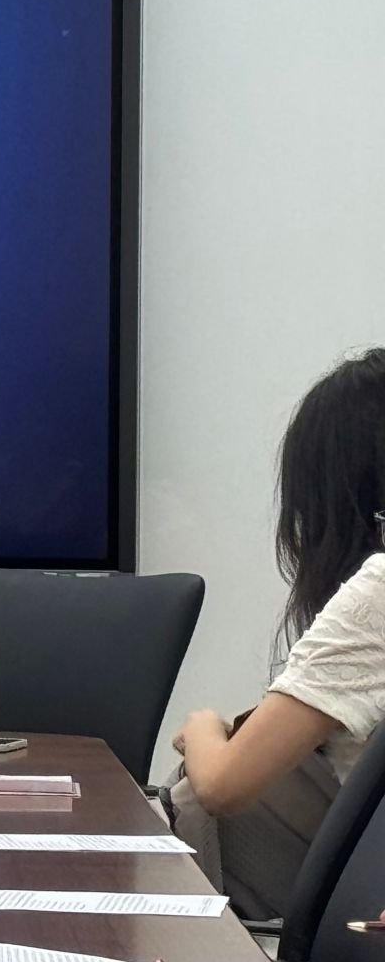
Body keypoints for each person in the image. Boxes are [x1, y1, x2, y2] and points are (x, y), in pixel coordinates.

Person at [167, 348, 385, 919]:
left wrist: (201, 726)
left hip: (366, 912)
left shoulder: (380, 588)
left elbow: (225, 785)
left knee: (192, 794)